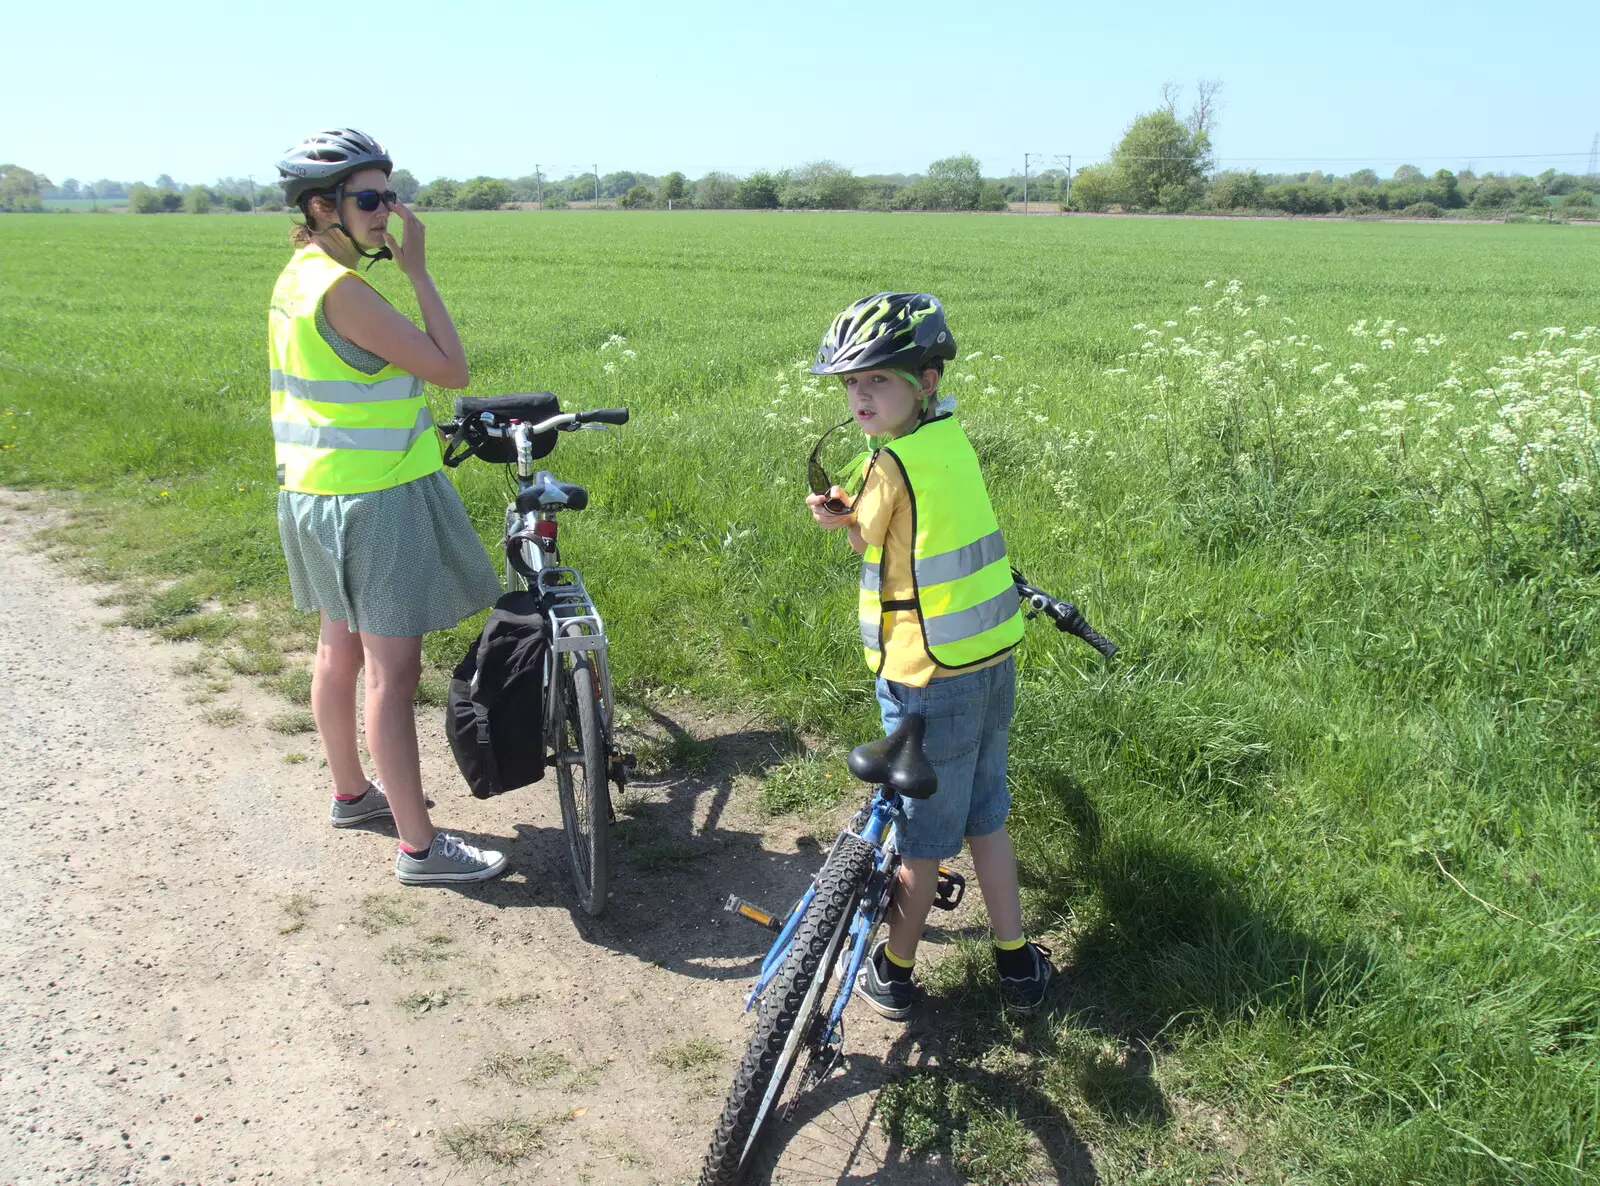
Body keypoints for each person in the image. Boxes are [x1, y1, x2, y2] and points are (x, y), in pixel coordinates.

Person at [805, 292, 1054, 1016]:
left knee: (922, 838)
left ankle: (894, 970)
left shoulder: (887, 466)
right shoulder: (950, 441)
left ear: (927, 381)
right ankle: (1015, 964)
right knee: (985, 815)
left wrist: (837, 519)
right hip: (989, 659)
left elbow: (866, 537)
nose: (860, 396)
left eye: (878, 380)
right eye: (852, 383)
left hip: (921, 673)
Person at [270, 128, 507, 886]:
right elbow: (451, 366)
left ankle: (351, 794)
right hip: (372, 504)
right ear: (322, 206)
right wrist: (420, 273)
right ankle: (421, 848)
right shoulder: (345, 291)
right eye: (369, 199)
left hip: (315, 493)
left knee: (337, 653)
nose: (386, 212)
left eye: (390, 195)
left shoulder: (297, 277)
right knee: (391, 677)